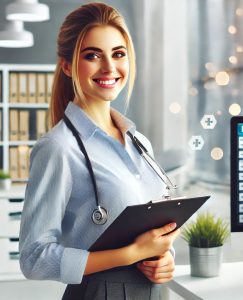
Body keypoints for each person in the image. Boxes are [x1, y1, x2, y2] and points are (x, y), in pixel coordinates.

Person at [19, 2, 180, 300]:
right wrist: (130, 254)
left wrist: (164, 260)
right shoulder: (58, 148)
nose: (109, 68)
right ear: (67, 65)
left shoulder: (140, 143)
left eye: (118, 54)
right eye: (92, 55)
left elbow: (155, 231)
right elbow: (34, 258)